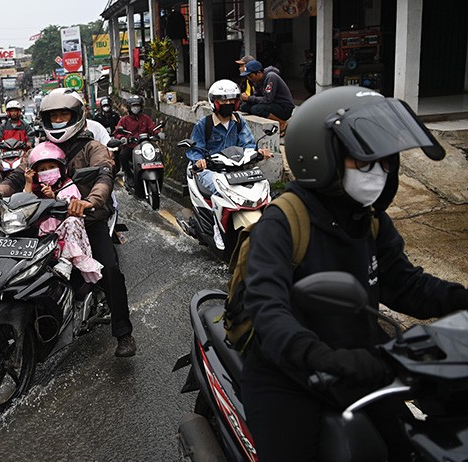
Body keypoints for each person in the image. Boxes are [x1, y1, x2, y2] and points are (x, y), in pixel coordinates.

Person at [240, 87, 468, 462]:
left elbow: (404, 284)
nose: (379, 172)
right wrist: (320, 356)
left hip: (359, 365)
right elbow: (268, 309)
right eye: (363, 162)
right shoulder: (283, 222)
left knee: (410, 449)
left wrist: (460, 297)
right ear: (320, 157)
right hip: (291, 376)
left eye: (384, 161)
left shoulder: (369, 219)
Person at [0, 88, 136, 357]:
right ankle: (13, 323)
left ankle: (124, 333)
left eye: (64, 114)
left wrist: (90, 201)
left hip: (85, 220)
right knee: (12, 264)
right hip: (41, 219)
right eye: (53, 116)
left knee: (109, 268)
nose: (59, 120)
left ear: (76, 116)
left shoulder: (92, 147)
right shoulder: (38, 148)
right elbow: (17, 177)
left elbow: (104, 174)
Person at [185, 79, 272, 249]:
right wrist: (199, 160)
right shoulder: (204, 125)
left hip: (236, 169)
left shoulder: (239, 122)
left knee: (262, 188)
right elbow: (195, 149)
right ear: (214, 102)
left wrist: (258, 152)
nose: (228, 104)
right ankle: (217, 228)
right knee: (220, 192)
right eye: (224, 100)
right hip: (210, 170)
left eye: (232, 100)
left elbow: (248, 144)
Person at [24, 142, 103, 284]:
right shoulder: (36, 190)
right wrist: (28, 182)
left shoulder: (68, 184)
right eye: (42, 169)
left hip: (66, 232)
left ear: (60, 168)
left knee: (72, 221)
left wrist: (53, 198)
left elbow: (72, 204)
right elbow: (24, 203)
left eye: (51, 167)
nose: (47, 171)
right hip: (45, 234)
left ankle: (66, 261)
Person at [239, 60, 295, 136]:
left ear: (258, 73)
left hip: (284, 108)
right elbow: (257, 96)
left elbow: (267, 99)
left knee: (256, 109)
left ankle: (282, 123)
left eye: (250, 76)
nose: (249, 78)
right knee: (244, 107)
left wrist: (249, 98)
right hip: (272, 105)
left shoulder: (271, 77)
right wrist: (245, 99)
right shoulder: (257, 81)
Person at [114, 95, 156, 187]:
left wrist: (157, 133)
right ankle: (129, 176)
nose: (136, 108)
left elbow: (152, 128)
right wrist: (122, 138)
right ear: (129, 107)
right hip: (131, 147)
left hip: (145, 146)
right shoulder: (124, 120)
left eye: (138, 106)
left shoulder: (146, 118)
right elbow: (117, 132)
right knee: (123, 155)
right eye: (133, 106)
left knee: (157, 153)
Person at [0, 100, 35, 180]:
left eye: (15, 111)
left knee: (31, 161)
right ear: (8, 113)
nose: (13, 113)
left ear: (19, 112)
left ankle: (31, 180)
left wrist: (30, 142)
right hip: (6, 153)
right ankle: (1, 181)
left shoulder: (25, 125)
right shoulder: (3, 125)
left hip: (22, 152)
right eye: (11, 111)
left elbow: (30, 135)